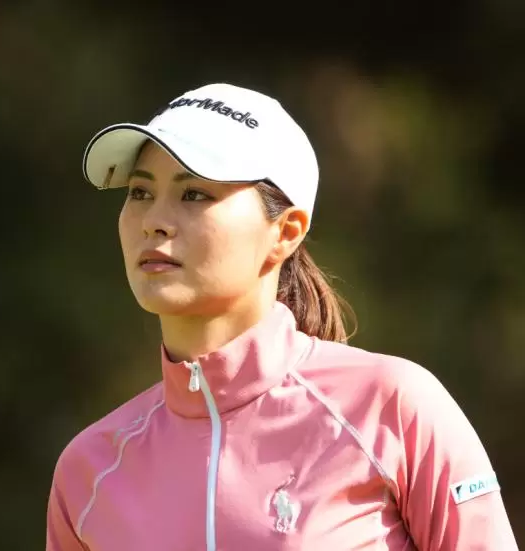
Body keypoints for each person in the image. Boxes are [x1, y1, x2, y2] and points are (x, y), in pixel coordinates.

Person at [45, 83, 519, 550]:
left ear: (286, 232)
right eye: (140, 192)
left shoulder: (390, 406)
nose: (154, 221)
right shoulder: (89, 470)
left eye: (194, 194)